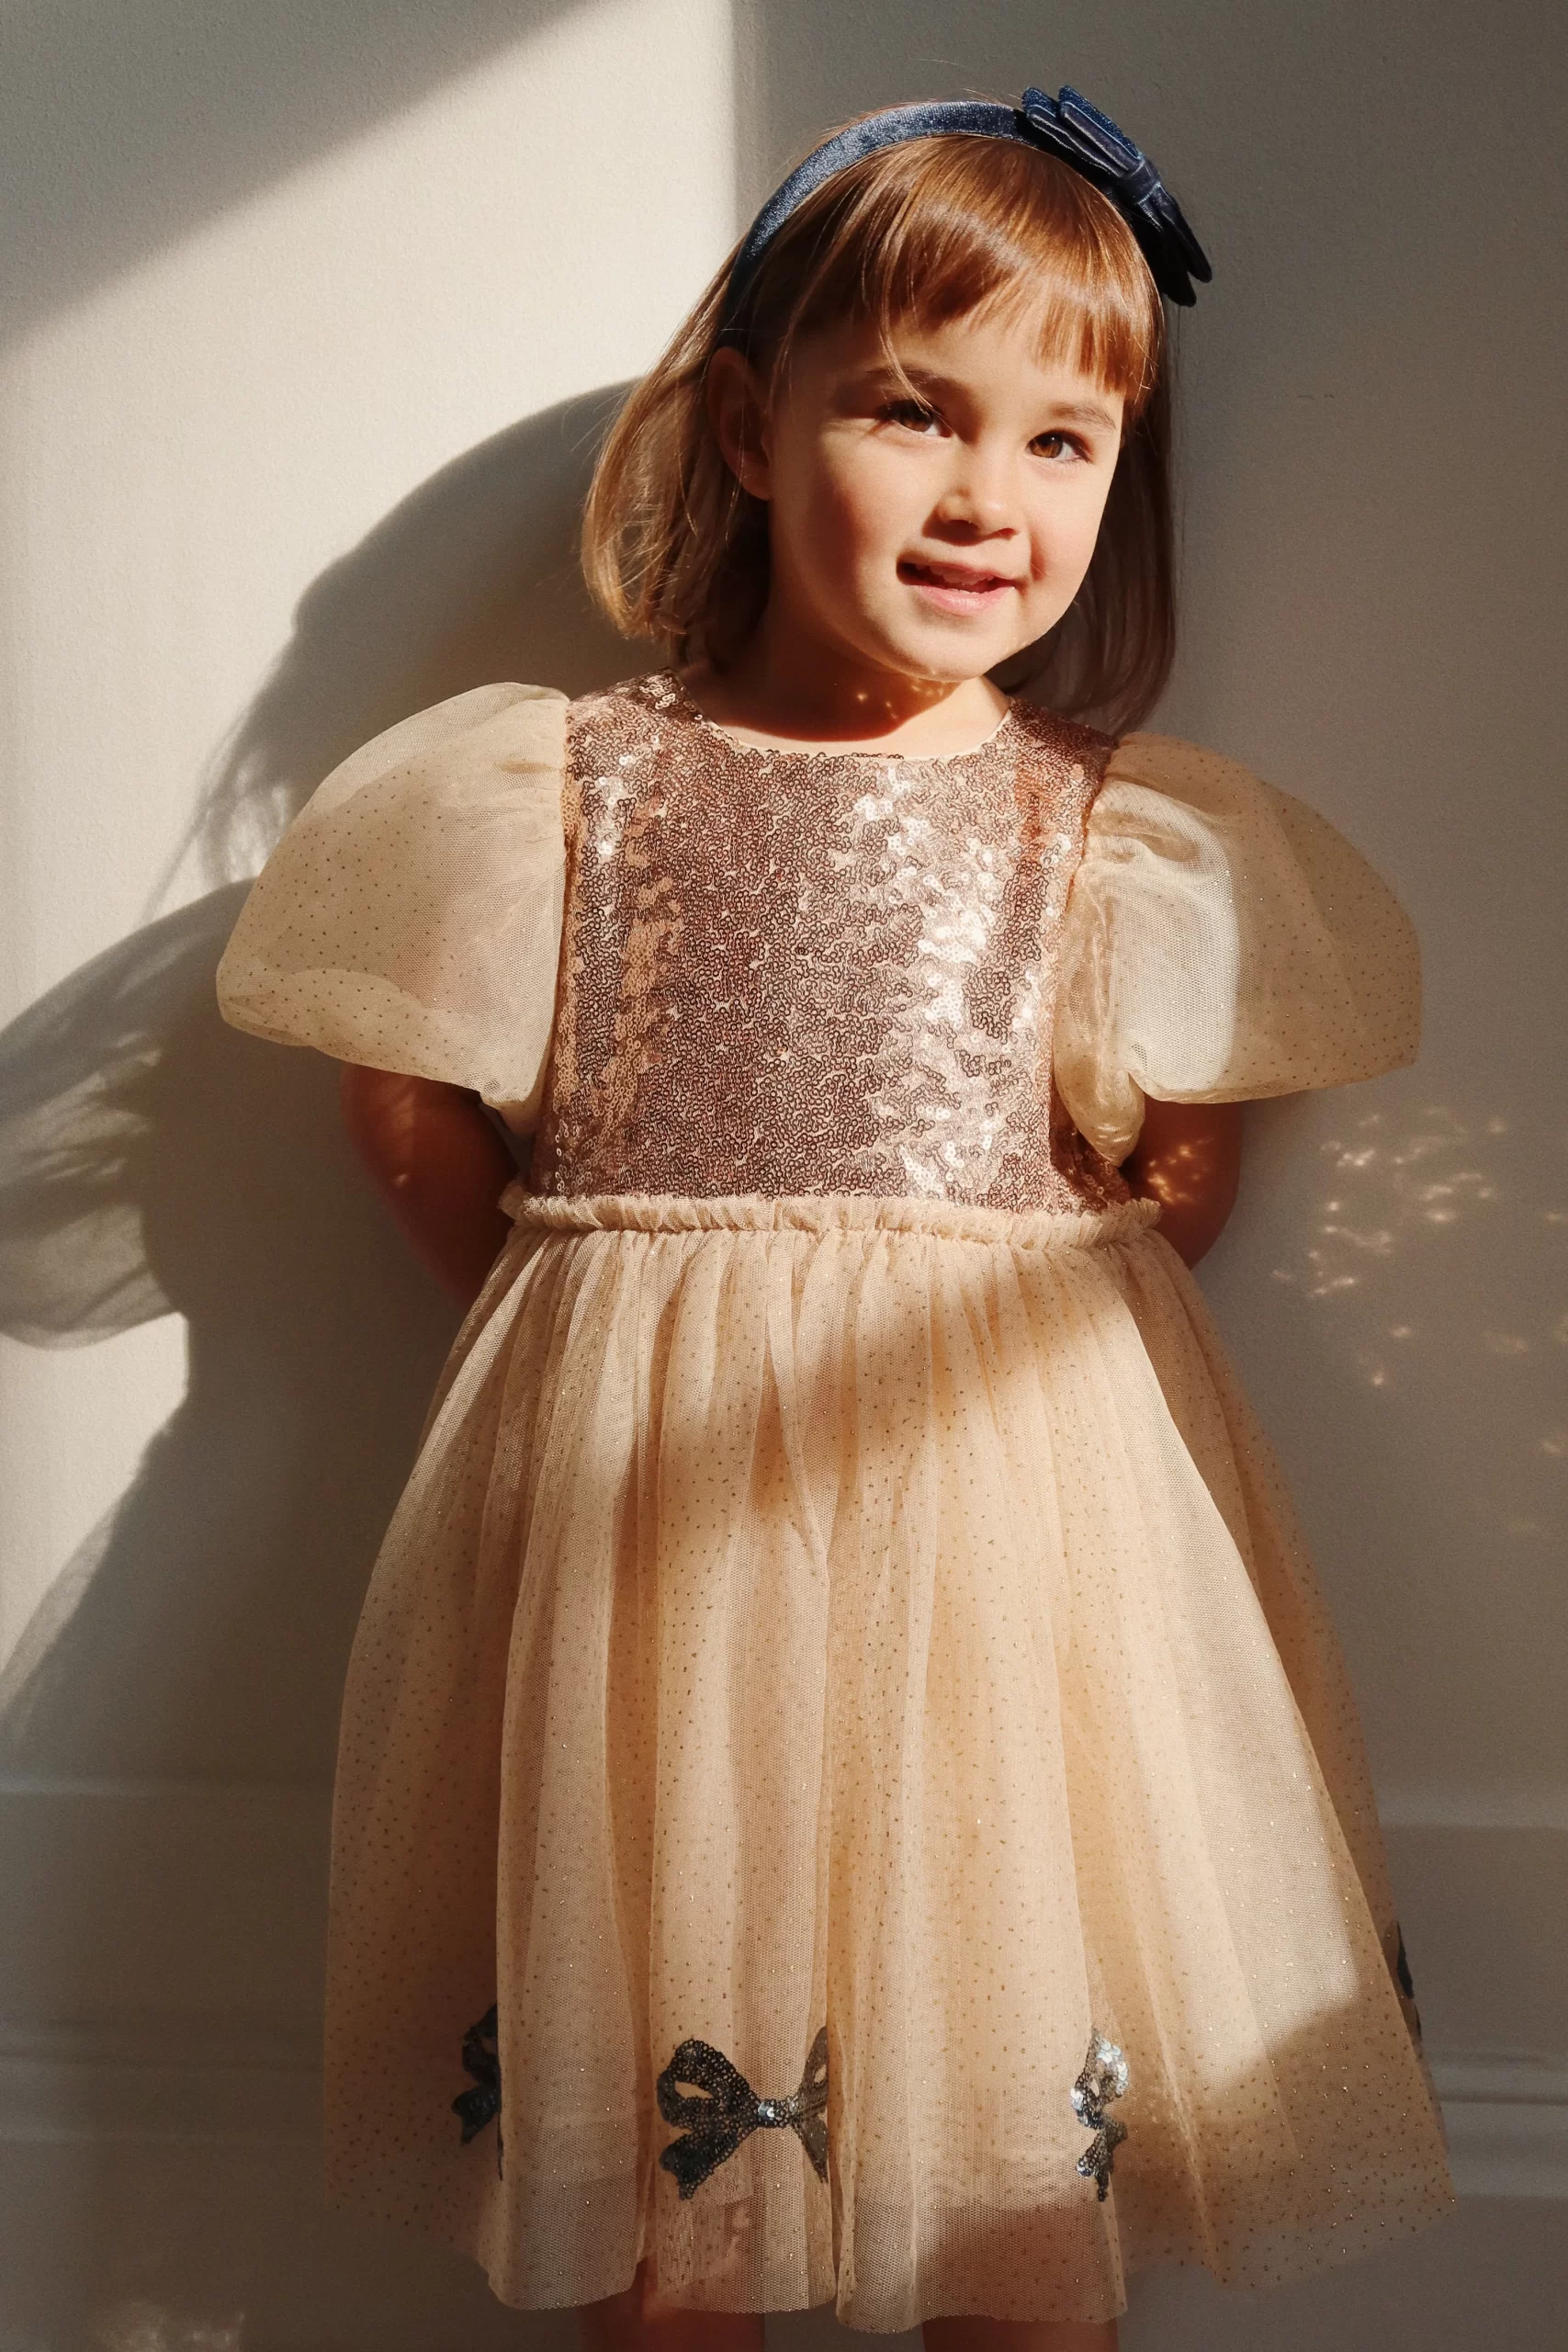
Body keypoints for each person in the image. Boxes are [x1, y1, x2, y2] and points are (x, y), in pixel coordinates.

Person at [216, 85, 1455, 2350]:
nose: (990, 494)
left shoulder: (1113, 832)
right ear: (749, 431)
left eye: (1061, 440)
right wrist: (588, 1295)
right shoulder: (569, 787)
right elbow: (397, 1074)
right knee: (666, 2192)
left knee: (1011, 2177)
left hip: (1012, 1565)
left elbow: (1173, 1174)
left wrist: (990, 1301)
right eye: (913, 410)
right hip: (646, 1562)